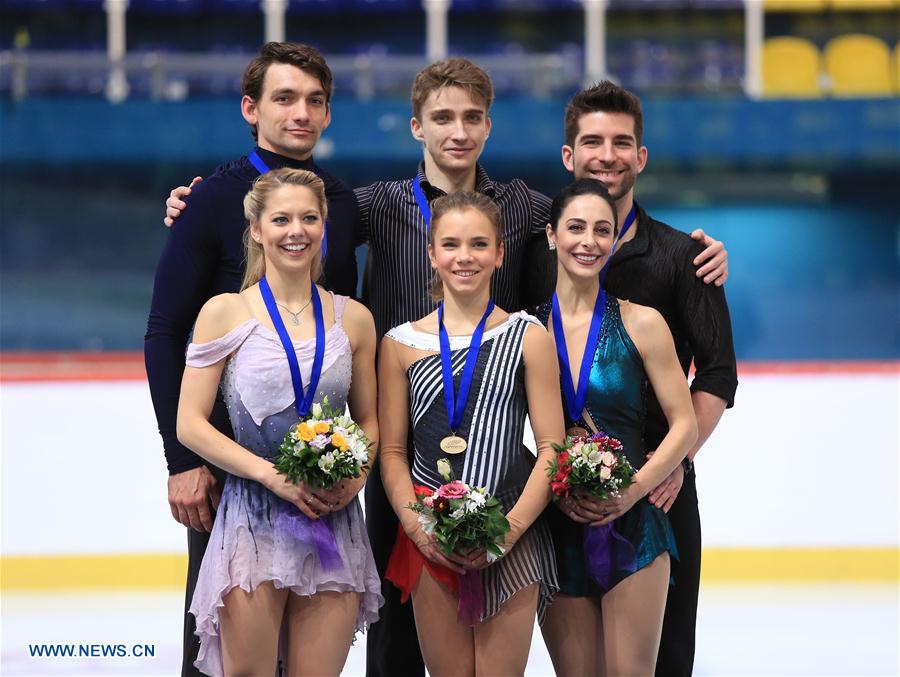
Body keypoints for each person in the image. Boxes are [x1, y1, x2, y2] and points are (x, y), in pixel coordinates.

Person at [162, 58, 730, 676]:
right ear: (416, 127)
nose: (456, 131)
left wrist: (692, 250)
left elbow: (586, 247)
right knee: (394, 647)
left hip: (503, 471)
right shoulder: (371, 205)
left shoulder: (528, 210)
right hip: (395, 463)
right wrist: (199, 205)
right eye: (442, 117)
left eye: (470, 118)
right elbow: (289, 216)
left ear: (488, 128)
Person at [144, 42, 359, 677]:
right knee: (217, 652)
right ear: (250, 108)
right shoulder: (211, 199)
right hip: (231, 473)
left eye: (315, 101)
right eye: (284, 98)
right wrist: (182, 461)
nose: (301, 113)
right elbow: (164, 333)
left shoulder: (340, 203)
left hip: (325, 474)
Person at [536, 81, 739, 676]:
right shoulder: (534, 252)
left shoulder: (684, 255)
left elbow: (719, 373)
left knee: (666, 660)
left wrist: (671, 464)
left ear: (641, 157)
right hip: (560, 497)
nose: (608, 154)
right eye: (592, 141)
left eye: (622, 142)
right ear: (569, 156)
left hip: (657, 491)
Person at [176, 168, 382, 676]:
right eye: (282, 219)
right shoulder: (224, 312)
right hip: (252, 515)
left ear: (324, 227)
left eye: (309, 218)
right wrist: (270, 475)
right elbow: (190, 423)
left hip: (329, 518)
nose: (297, 230)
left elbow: (371, 421)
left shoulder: (353, 318)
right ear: (256, 229)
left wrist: (355, 476)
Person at [378, 191, 564, 676]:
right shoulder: (400, 343)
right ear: (432, 253)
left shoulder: (527, 335)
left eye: (479, 244)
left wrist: (511, 532)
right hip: (429, 536)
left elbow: (551, 448)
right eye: (452, 244)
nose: (465, 257)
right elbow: (393, 451)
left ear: (500, 253)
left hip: (513, 535)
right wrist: (418, 530)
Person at [536, 179, 697, 675]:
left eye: (602, 230)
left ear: (616, 241)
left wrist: (634, 491)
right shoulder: (527, 330)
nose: (589, 241)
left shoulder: (644, 322)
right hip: (559, 525)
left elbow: (684, 424)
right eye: (576, 228)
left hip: (635, 525)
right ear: (550, 235)